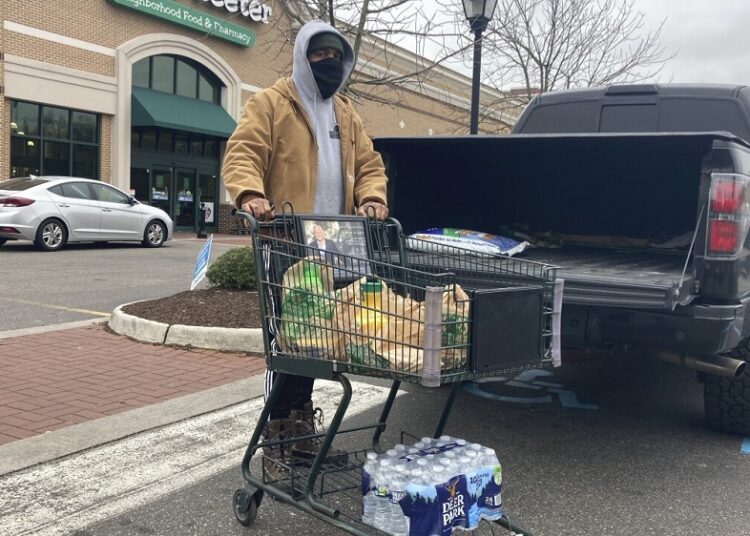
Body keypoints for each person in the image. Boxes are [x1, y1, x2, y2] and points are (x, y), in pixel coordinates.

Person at [221, 19, 389, 478]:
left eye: (337, 56)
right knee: (289, 346)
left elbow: (370, 164)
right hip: (287, 244)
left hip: (335, 246)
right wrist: (250, 194)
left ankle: (299, 435)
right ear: (302, 56)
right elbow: (243, 153)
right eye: (320, 55)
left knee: (317, 344)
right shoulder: (272, 104)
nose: (329, 63)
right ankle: (277, 440)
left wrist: (373, 198)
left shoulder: (346, 113)